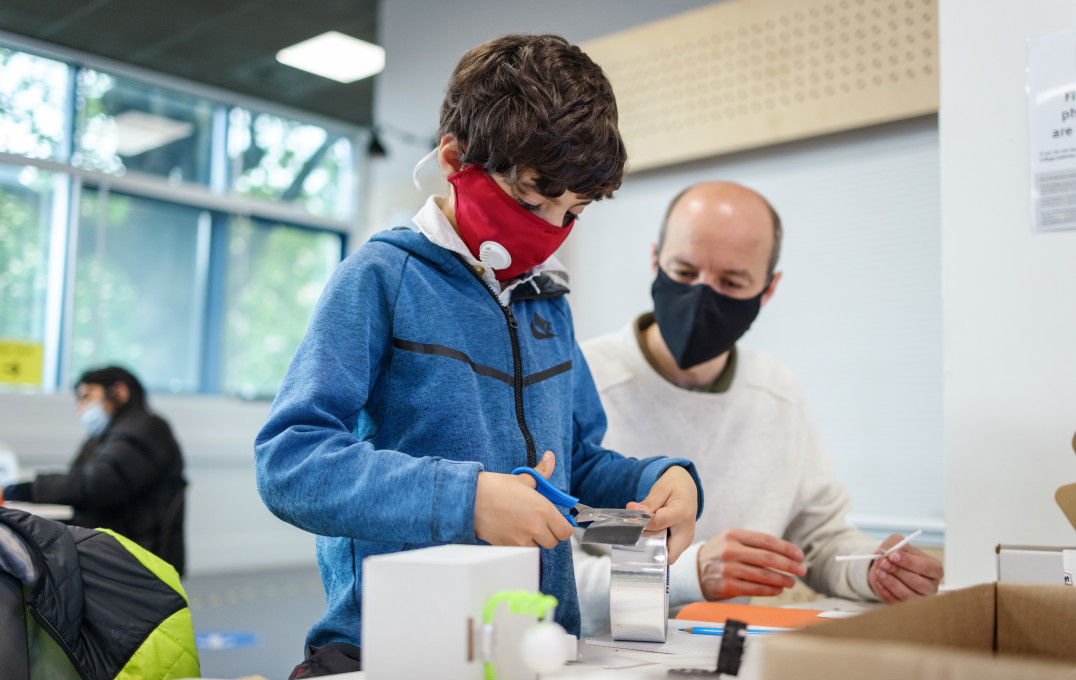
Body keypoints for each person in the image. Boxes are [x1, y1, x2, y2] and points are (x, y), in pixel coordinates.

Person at [254, 34, 702, 677]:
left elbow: (574, 463)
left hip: (535, 647)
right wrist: (468, 500)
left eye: (570, 212)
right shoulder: (382, 279)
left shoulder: (547, 302)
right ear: (455, 158)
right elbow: (289, 461)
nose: (549, 229)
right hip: (392, 649)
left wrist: (653, 481)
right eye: (530, 200)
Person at [573, 181, 943, 637]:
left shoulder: (775, 394)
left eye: (731, 282)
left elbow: (820, 539)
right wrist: (691, 574)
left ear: (768, 289)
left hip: (730, 657)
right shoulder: (577, 380)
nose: (702, 296)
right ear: (655, 262)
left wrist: (873, 569)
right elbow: (549, 571)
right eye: (684, 272)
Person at [2, 365, 187, 575]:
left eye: (87, 397)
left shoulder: (146, 429)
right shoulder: (107, 435)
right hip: (116, 550)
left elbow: (97, 485)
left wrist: (18, 491)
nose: (81, 409)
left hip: (138, 557)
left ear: (119, 391)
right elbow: (76, 479)